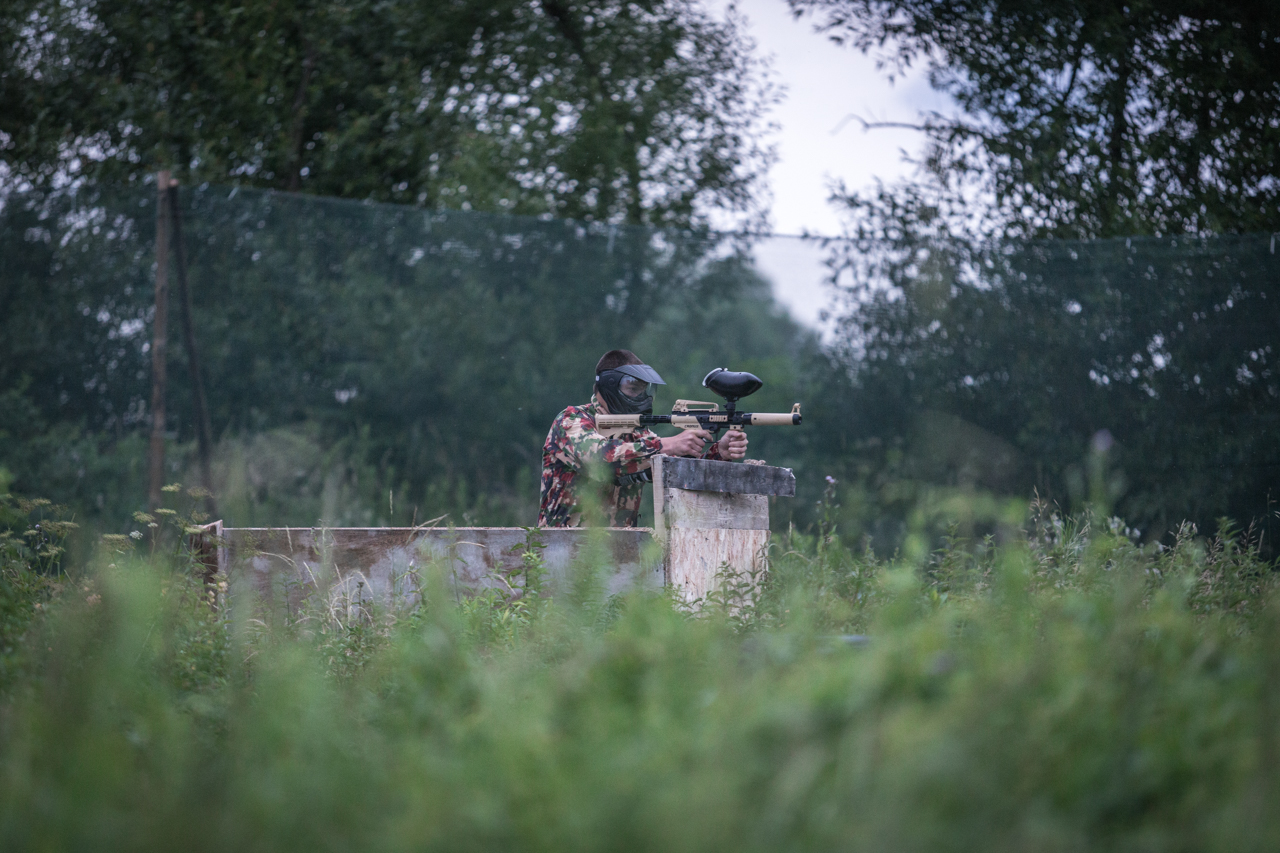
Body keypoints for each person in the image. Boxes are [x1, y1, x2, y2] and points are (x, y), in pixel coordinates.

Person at [538, 349, 749, 527]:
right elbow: (601, 460)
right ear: (610, 385)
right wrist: (668, 444)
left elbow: (680, 476)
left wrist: (718, 453)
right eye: (632, 390)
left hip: (618, 557)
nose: (641, 398)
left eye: (643, 391)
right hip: (561, 552)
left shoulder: (638, 434)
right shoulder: (571, 421)